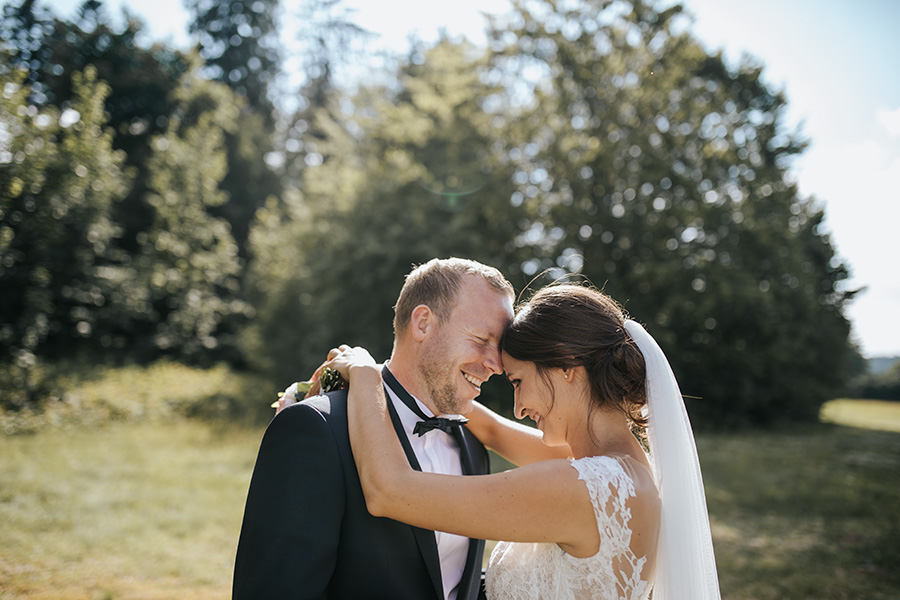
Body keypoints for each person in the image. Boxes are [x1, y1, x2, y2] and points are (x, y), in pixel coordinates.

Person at [328, 284, 721, 600]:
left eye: (518, 382)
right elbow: (495, 430)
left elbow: (389, 491)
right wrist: (408, 374)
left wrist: (365, 375)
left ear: (567, 368)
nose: (517, 407)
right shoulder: (628, 470)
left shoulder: (581, 489)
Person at [232, 257, 515, 600]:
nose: (496, 364)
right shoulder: (317, 429)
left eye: (498, 348)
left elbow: (450, 583)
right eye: (481, 338)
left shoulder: (472, 447)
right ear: (423, 323)